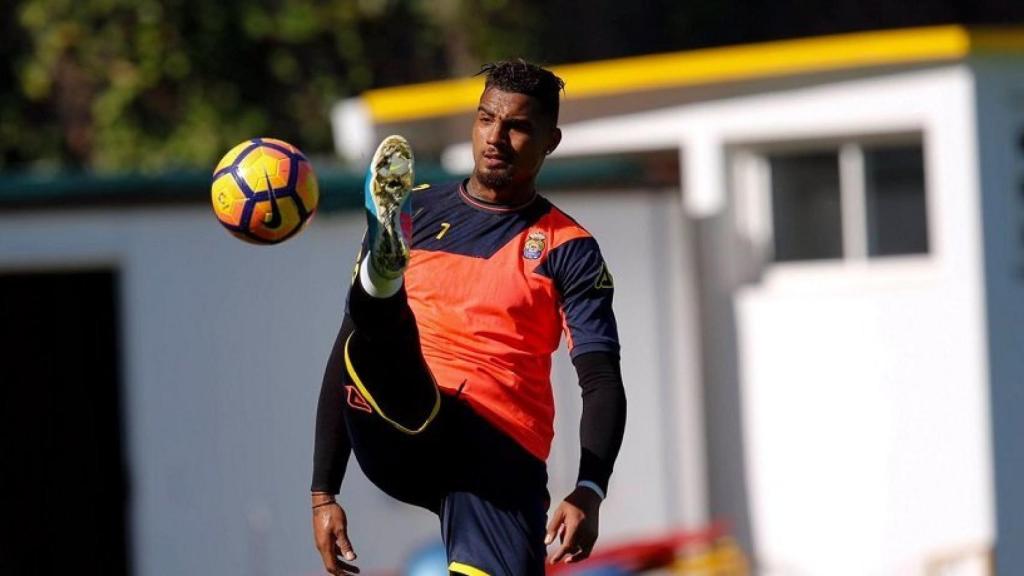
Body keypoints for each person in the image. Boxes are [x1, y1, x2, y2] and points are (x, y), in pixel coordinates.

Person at [310, 60, 627, 576]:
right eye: (485, 119)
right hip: (402, 421)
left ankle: (380, 281)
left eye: (518, 126)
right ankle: (381, 275)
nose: (496, 137)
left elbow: (600, 378)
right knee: (378, 341)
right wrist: (323, 492)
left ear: (551, 139)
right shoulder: (416, 211)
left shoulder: (570, 249)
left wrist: (590, 489)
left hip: (497, 456)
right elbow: (343, 351)